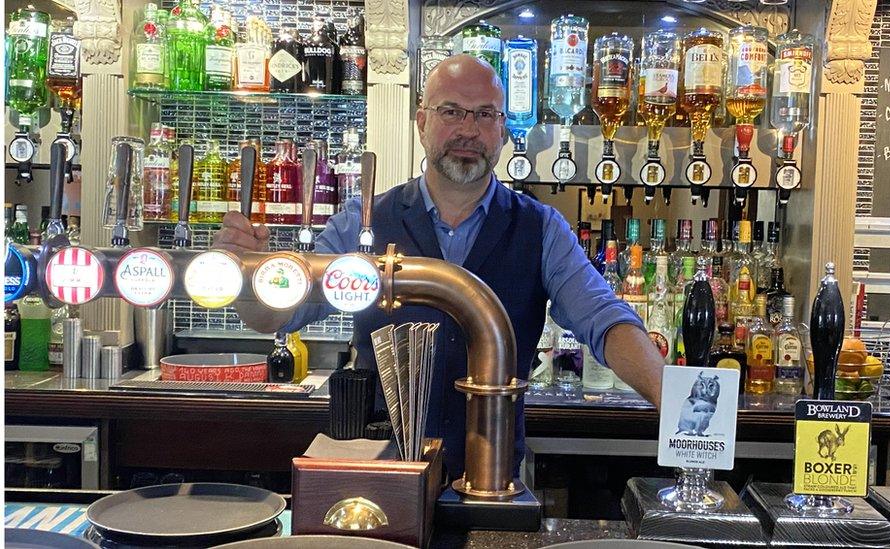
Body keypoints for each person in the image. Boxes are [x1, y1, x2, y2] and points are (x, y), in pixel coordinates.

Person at [214, 54, 666, 481]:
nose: (469, 129)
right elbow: (277, 316)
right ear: (421, 122)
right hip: (382, 468)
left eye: (485, 115)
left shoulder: (540, 228)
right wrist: (246, 274)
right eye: (452, 111)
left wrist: (674, 401)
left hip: (491, 474)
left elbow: (605, 321)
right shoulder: (362, 221)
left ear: (503, 131)